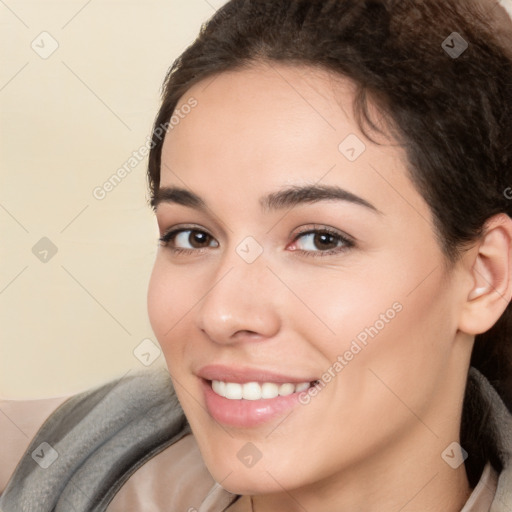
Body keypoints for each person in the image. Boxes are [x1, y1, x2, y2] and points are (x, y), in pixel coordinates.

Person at [1, 0, 512, 510]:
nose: (221, 314)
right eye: (193, 236)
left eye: (320, 239)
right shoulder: (65, 465)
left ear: (484, 276)